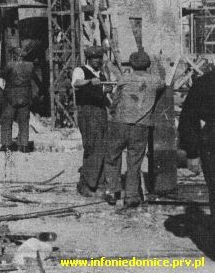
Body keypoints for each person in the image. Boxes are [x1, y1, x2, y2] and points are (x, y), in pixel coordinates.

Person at [104, 49, 165, 208]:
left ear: (131, 64)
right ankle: (131, 196)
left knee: (112, 157)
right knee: (135, 161)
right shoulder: (155, 81)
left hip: (120, 123)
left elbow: (115, 101)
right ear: (148, 65)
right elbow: (163, 83)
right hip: (141, 125)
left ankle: (112, 191)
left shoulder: (124, 79)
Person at [178, 61, 215, 228]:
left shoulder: (205, 81)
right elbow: (189, 118)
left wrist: (192, 153)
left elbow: (188, 118)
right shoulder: (206, 81)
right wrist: (192, 153)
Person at [72, 45, 110, 197]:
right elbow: (76, 83)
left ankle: (98, 182)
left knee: (102, 146)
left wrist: (106, 90)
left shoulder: (101, 73)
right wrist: (89, 82)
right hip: (87, 112)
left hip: (100, 111)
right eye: (95, 58)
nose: (98, 61)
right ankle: (87, 184)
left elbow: (103, 92)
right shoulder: (80, 70)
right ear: (89, 58)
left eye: (100, 58)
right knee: (91, 146)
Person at [0, 45, 34, 152]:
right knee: (24, 121)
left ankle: (6, 144)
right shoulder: (30, 65)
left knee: (7, 120)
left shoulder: (10, 65)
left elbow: (2, 74)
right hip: (25, 96)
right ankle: (23, 145)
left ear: (15, 55)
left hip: (11, 96)